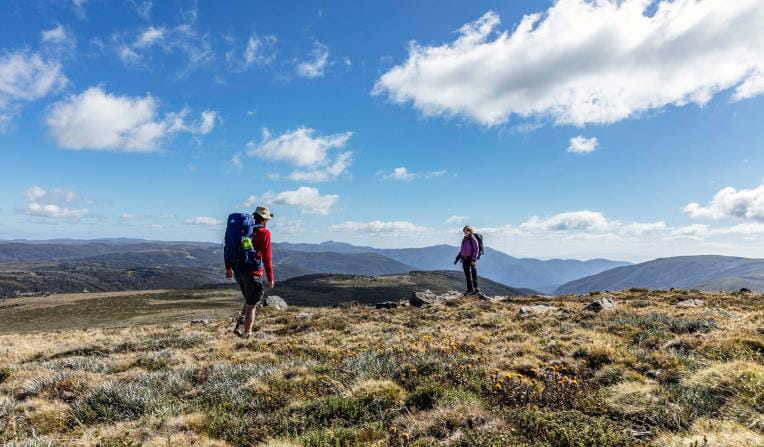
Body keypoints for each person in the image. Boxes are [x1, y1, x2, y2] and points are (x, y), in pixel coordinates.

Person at [227, 206, 275, 338]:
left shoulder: (244, 231)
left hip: (238, 271)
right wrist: (270, 277)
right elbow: (267, 257)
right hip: (253, 273)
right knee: (251, 306)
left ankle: (239, 327)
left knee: (248, 300)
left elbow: (229, 247)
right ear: (264, 219)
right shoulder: (264, 232)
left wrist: (228, 268)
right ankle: (247, 335)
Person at [454, 225, 481, 296]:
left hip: (471, 259)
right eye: (464, 231)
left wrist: (473, 260)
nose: (465, 232)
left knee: (473, 274)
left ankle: (476, 289)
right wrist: (458, 258)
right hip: (465, 259)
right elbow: (462, 250)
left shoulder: (473, 239)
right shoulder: (464, 239)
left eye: (466, 231)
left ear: (470, 231)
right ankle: (470, 289)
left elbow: (476, 250)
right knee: (467, 275)